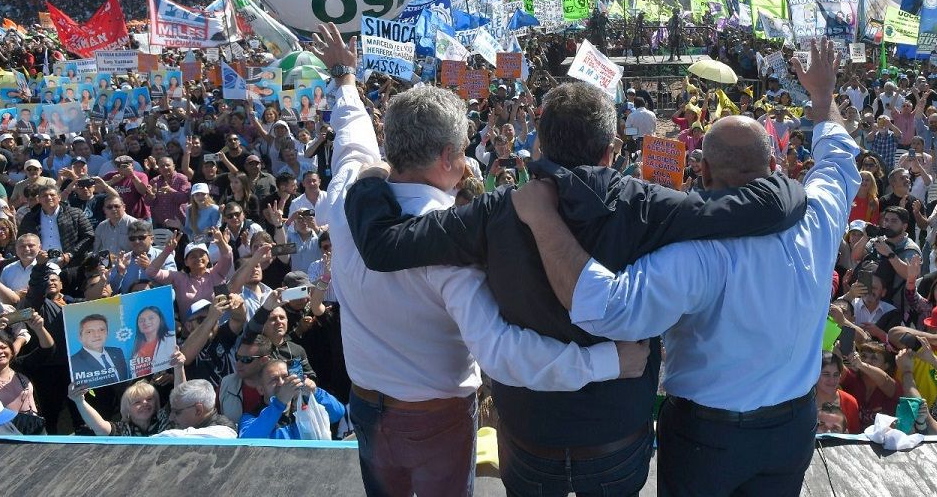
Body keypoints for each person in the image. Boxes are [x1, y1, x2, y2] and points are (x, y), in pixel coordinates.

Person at [342, 26, 810, 496]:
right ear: (611, 150)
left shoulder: (497, 210)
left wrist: (369, 181)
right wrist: (787, 183)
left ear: (541, 146)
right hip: (615, 440)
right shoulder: (648, 206)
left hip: (529, 438)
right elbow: (765, 206)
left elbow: (383, 247)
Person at [310, 23, 652, 497]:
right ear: (449, 156)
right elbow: (501, 353)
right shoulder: (452, 244)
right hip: (436, 422)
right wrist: (606, 361)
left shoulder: (350, 188)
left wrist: (345, 79)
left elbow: (352, 137)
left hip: (364, 407)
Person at [508, 38, 858, 496]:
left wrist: (542, 217)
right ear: (774, 164)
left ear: (704, 173)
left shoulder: (695, 253)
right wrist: (823, 97)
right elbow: (839, 159)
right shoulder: (820, 216)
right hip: (791, 430)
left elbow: (605, 308)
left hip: (707, 441)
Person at [238, 358, 346, 440]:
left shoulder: (306, 406)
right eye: (274, 380)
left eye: (285, 377)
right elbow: (248, 440)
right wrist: (279, 403)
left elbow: (338, 413)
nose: (281, 383)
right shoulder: (251, 417)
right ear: (261, 389)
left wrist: (315, 392)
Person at [154, 379, 237, 438]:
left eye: (177, 412)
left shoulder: (224, 431)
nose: (171, 418)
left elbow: (172, 436)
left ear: (198, 410)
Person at [68, 314, 130, 386]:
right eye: (89, 332)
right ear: (80, 337)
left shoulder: (117, 352)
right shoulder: (73, 362)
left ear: (107, 333)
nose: (97, 335)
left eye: (101, 330)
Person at [130, 305, 178, 378]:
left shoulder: (172, 338)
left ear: (160, 320)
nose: (146, 322)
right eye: (141, 320)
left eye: (151, 318)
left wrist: (171, 377)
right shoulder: (135, 348)